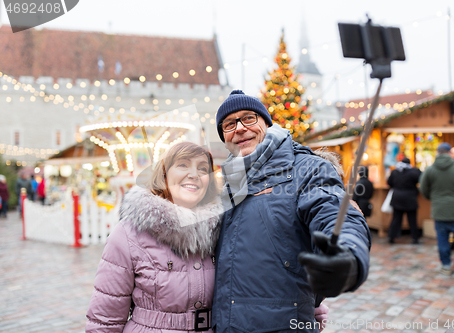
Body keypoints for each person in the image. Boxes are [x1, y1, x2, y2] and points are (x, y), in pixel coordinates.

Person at [212, 90, 371, 332]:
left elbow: (334, 212)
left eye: (249, 118)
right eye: (229, 124)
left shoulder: (306, 169)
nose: (240, 128)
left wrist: (347, 255)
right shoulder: (229, 183)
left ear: (267, 122)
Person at [86, 142, 222, 332]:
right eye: (183, 164)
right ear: (164, 174)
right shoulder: (129, 233)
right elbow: (105, 318)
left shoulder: (223, 228)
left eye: (203, 168)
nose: (194, 174)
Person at [419, 143, 454, 276]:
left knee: (442, 240)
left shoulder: (430, 169)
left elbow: (423, 189)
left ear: (438, 153)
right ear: (450, 152)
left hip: (439, 211)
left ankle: (446, 266)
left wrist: (432, 197)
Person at [387, 157, 422, 244]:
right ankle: (415, 238)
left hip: (397, 198)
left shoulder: (395, 171)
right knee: (412, 220)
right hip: (410, 198)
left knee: (396, 219)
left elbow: (389, 182)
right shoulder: (414, 172)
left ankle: (391, 237)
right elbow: (421, 178)